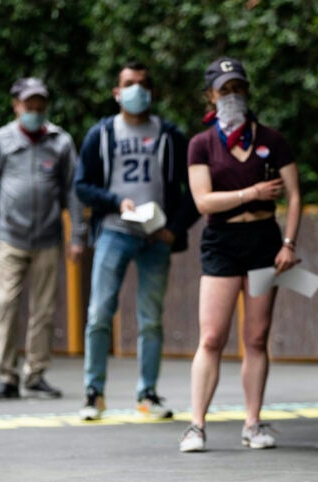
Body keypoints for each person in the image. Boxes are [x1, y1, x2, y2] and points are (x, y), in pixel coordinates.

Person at [179, 57, 302, 452]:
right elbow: (203, 202)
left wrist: (289, 244)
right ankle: (196, 425)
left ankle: (253, 423)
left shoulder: (271, 138)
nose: (232, 96)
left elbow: (296, 196)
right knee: (212, 336)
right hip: (222, 244)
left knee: (257, 336)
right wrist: (249, 194)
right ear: (210, 96)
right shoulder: (201, 144)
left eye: (237, 88)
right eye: (224, 90)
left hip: (265, 242)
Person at [74, 61, 199, 421]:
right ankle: (94, 393)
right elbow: (81, 186)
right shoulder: (102, 134)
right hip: (115, 231)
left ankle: (147, 393)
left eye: (142, 84)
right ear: (117, 92)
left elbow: (193, 190)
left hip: (156, 236)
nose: (136, 90)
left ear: (152, 91)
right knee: (99, 313)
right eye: (129, 83)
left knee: (151, 319)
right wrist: (116, 202)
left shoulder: (169, 135)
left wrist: (174, 228)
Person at [0, 77, 86, 401]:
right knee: (6, 303)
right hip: (11, 237)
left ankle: (35, 375)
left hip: (48, 238)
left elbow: (73, 191)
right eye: (29, 105)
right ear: (16, 106)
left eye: (40, 105)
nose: (34, 111)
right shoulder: (2, 139)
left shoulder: (60, 141)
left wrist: (76, 235)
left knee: (44, 310)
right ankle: (7, 376)